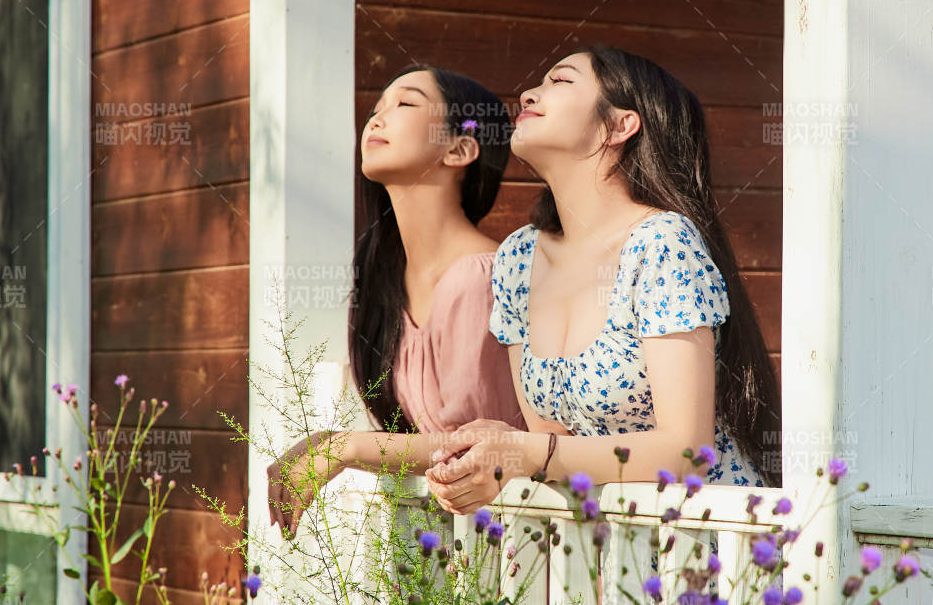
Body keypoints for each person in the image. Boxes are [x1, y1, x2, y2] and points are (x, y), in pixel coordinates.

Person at [424, 45, 780, 515]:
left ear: (620, 125)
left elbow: (689, 453)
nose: (530, 92)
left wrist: (529, 451)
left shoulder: (661, 244)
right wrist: (499, 451)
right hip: (606, 551)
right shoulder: (518, 257)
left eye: (561, 81)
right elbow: (554, 443)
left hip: (706, 542)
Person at [267, 65, 524, 535]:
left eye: (405, 103)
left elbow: (474, 449)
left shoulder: (480, 279)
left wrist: (343, 447)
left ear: (460, 148)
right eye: (375, 109)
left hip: (513, 551)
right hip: (447, 551)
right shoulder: (388, 285)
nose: (377, 120)